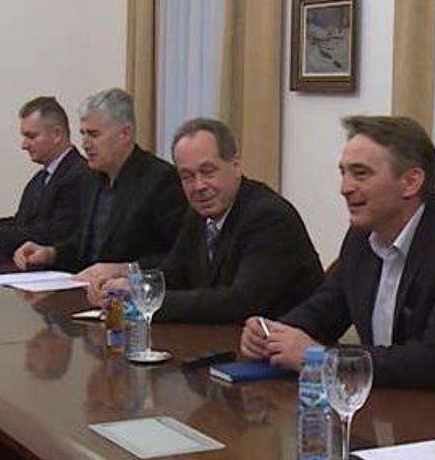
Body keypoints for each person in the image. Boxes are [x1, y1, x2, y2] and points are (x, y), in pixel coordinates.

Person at [240, 115, 435, 396]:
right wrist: (271, 334)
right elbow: (324, 310)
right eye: (343, 173)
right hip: (385, 403)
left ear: (410, 182)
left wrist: (322, 359)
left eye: (360, 174)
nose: (344, 188)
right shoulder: (363, 236)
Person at [86, 118, 323, 323]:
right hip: (218, 343)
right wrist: (126, 284)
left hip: (280, 352)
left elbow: (239, 303)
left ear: (236, 165)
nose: (198, 186)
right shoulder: (198, 214)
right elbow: (174, 274)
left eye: (208, 171)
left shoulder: (269, 217)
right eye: (187, 176)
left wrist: (142, 300)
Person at [13, 88, 185, 275]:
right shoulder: (90, 177)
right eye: (83, 134)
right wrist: (50, 253)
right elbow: (85, 246)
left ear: (124, 134)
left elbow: (180, 256)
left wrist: (125, 270)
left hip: (132, 290)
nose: (85, 144)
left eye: (94, 135)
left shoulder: (160, 179)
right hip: (87, 286)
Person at [0, 96, 88, 259]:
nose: (24, 145)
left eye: (31, 136)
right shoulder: (40, 178)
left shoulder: (81, 174)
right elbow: (21, 224)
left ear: (57, 134)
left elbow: (57, 232)